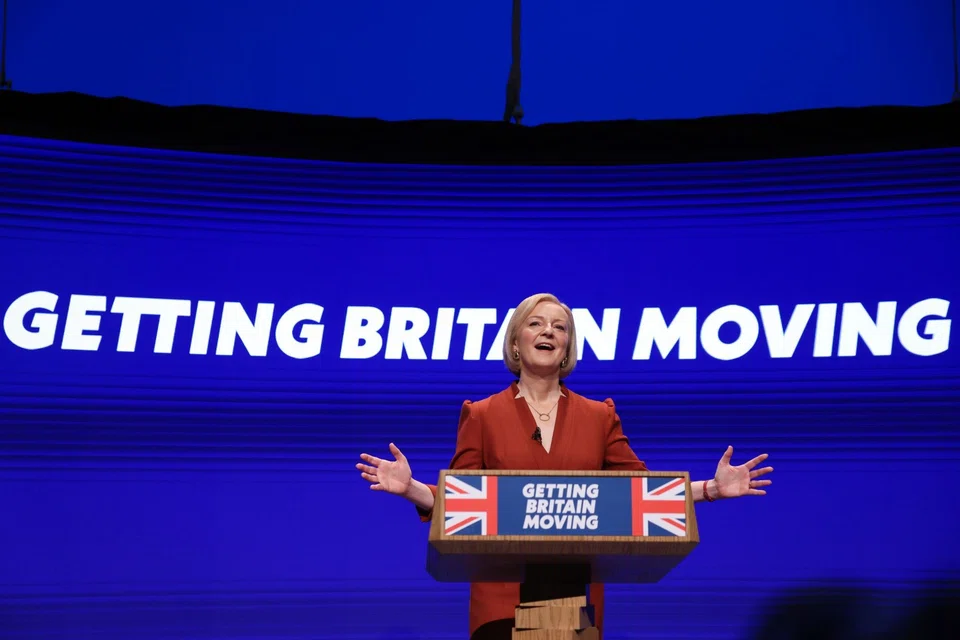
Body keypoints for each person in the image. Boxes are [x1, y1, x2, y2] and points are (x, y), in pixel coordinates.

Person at [357, 293, 773, 640]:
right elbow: (461, 501)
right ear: (516, 343)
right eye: (536, 324)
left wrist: (711, 490)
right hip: (501, 601)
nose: (549, 332)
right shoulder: (481, 414)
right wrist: (410, 487)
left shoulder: (599, 416)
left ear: (567, 347)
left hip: (574, 602)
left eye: (559, 327)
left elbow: (642, 492)